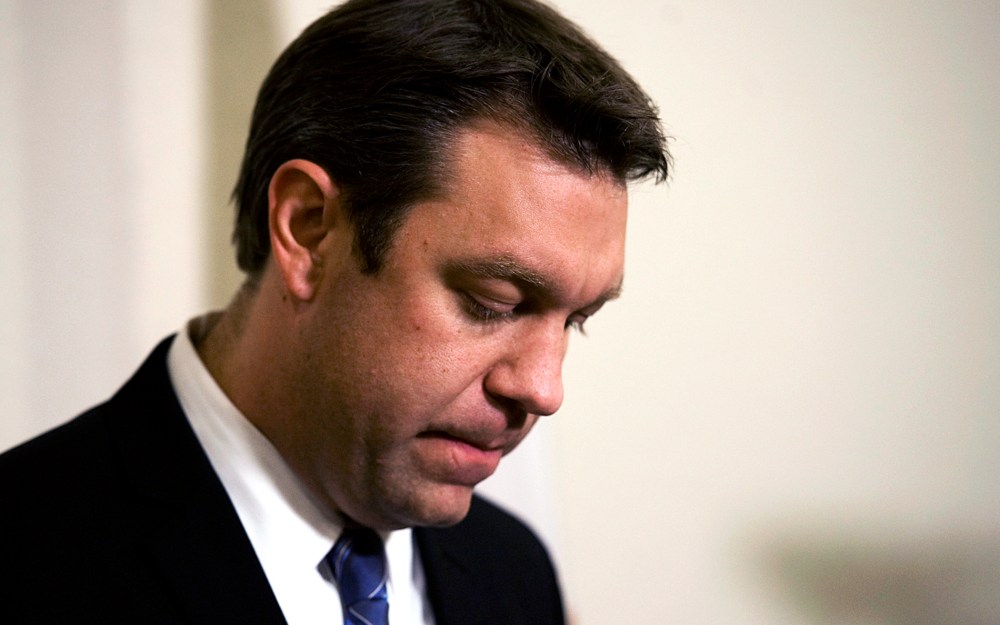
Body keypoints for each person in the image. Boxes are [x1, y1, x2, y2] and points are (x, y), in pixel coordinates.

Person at [0, 0, 668, 623]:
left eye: (574, 320)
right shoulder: (29, 552)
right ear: (309, 228)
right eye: (492, 302)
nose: (544, 389)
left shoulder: (512, 571)